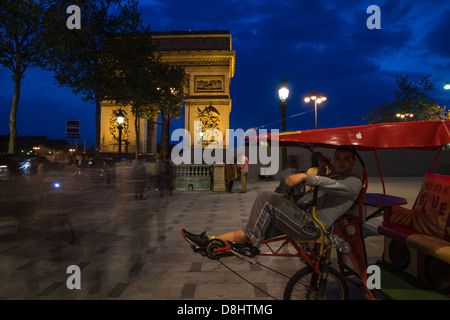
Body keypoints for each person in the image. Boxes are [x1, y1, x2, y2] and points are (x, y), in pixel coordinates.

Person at [182, 146, 362, 263]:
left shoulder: (354, 182)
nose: (341, 162)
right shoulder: (333, 174)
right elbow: (327, 181)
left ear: (354, 162)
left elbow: (331, 185)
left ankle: (251, 248)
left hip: (311, 226)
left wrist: (306, 176)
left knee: (265, 197)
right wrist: (322, 167)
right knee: (250, 231)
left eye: (347, 159)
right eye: (338, 158)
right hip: (300, 218)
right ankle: (208, 243)